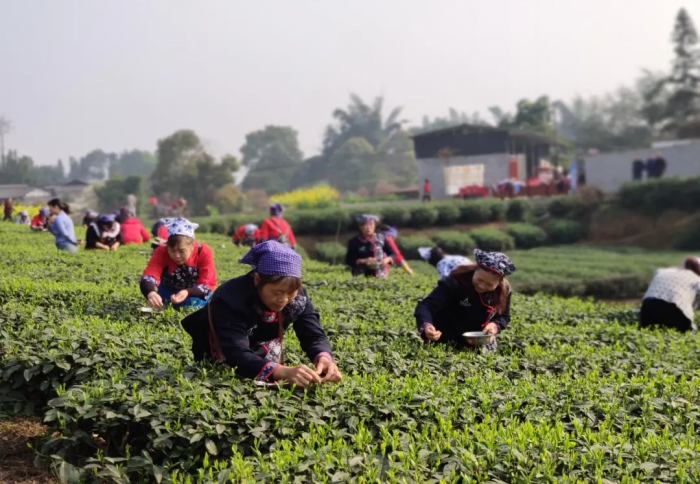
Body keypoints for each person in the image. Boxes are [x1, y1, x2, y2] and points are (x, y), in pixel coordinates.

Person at [181, 241, 342, 386]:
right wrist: (284, 372)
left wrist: (324, 358)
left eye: (290, 292)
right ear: (257, 279)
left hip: (262, 346)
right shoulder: (231, 297)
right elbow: (235, 352)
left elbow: (313, 334)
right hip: (221, 351)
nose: (284, 299)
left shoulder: (298, 297)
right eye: (277, 292)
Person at [414, 249, 516, 351]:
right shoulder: (456, 281)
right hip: (446, 334)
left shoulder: (504, 290)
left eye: (489, 285)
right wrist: (427, 325)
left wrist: (494, 326)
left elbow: (504, 316)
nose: (481, 286)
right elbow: (426, 306)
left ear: (499, 282)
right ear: (475, 269)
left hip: (478, 339)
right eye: (479, 279)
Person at [140, 217, 217, 310]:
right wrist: (150, 292)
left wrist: (188, 292)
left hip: (196, 292)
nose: (177, 255)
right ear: (167, 246)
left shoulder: (203, 252)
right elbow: (149, 274)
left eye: (182, 251)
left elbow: (207, 283)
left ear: (192, 246)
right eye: (172, 251)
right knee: (167, 307)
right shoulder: (161, 251)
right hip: (168, 291)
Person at [640, 257, 700, 333]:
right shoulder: (696, 279)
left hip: (648, 304)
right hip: (674, 308)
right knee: (681, 336)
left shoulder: (664, 271)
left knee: (649, 334)